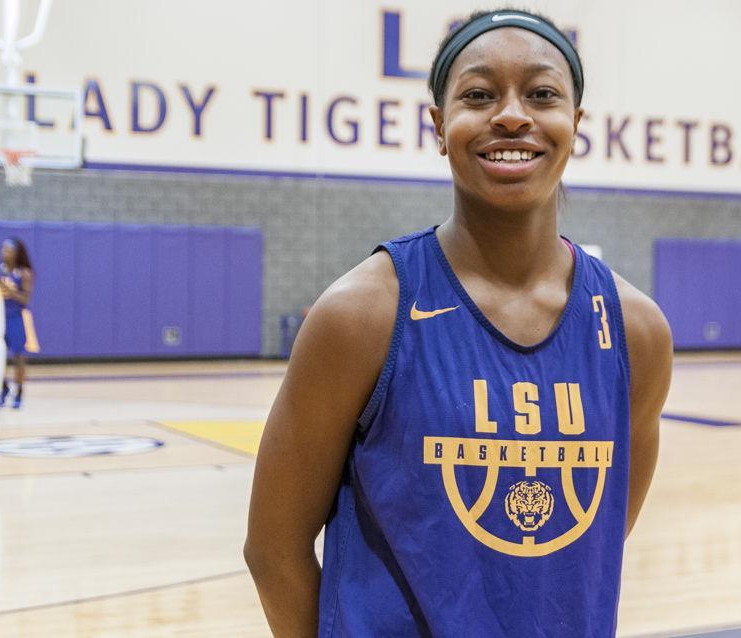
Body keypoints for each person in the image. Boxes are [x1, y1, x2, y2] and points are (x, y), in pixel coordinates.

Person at [245, 9, 673, 636]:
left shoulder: (635, 331)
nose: (511, 114)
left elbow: (592, 539)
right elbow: (272, 551)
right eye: (478, 94)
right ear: (440, 127)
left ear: (575, 126)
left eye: (542, 94)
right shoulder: (362, 315)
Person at [0, 237, 38, 409]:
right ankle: (3, 387)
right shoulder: (0, 270)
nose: (3, 252)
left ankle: (19, 392)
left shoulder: (24, 273)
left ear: (16, 253)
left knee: (19, 357)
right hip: (0, 317)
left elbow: (25, 299)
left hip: (17, 317)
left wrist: (7, 289)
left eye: (8, 249)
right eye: (3, 249)